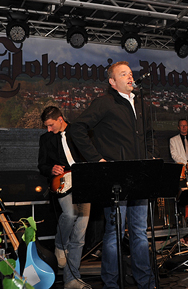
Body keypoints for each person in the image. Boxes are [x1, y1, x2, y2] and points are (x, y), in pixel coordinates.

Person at [68, 61, 155, 289]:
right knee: (115, 232)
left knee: (139, 232)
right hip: (115, 177)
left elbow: (144, 137)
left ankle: (145, 283)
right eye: (123, 74)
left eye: (130, 73)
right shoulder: (105, 103)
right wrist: (97, 159)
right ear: (112, 82)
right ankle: (111, 284)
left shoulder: (139, 104)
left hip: (138, 176)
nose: (130, 77)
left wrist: (149, 157)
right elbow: (76, 128)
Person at [37, 106, 92, 289]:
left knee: (80, 236)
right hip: (62, 183)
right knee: (69, 213)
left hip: (84, 181)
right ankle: (60, 245)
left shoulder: (78, 132)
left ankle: (71, 279)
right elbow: (41, 165)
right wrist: (51, 168)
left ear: (60, 119)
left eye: (51, 125)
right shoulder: (46, 139)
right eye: (46, 126)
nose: (48, 129)